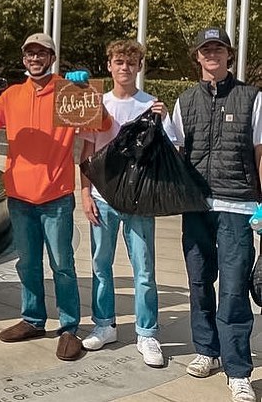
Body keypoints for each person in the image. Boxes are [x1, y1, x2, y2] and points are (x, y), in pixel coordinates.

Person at [0, 32, 101, 362]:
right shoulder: (12, 95)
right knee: (27, 263)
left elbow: (101, 124)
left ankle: (69, 327)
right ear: (23, 58)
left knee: (62, 265)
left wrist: (86, 90)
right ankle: (32, 319)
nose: (35, 58)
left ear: (52, 58)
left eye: (41, 53)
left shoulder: (67, 92)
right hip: (20, 197)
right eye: (30, 53)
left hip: (55, 196)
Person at [168, 27, 262, 402]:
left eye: (218, 49)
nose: (212, 55)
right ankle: (208, 350)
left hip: (237, 206)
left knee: (234, 288)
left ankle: (238, 370)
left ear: (228, 55)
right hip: (197, 207)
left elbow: (260, 153)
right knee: (199, 281)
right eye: (206, 49)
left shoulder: (252, 98)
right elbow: (174, 152)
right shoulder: (184, 101)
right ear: (198, 56)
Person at [79, 39, 169, 368]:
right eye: (119, 62)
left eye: (131, 63)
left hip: (139, 199)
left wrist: (164, 120)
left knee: (144, 270)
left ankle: (147, 333)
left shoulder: (151, 105)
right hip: (102, 198)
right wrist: (85, 194)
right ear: (109, 66)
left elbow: (171, 148)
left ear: (139, 67)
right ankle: (104, 325)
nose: (125, 68)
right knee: (100, 266)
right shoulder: (97, 103)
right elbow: (87, 154)